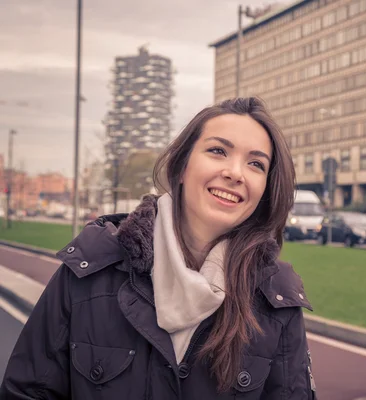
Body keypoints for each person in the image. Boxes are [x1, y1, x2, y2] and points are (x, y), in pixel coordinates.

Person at [0, 97, 317, 399]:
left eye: (255, 164)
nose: (235, 173)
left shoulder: (277, 300)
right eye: (218, 150)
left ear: (264, 189)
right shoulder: (88, 273)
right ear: (181, 168)